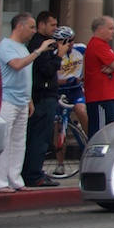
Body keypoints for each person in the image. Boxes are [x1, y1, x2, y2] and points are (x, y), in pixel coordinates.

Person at [0, 14, 50, 193]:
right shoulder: (6, 45)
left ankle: (15, 179)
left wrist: (29, 100)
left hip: (22, 101)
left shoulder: (22, 48)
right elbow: (17, 65)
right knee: (4, 142)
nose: (34, 31)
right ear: (19, 26)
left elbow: (25, 77)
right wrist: (39, 51)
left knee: (19, 142)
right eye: (31, 27)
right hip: (7, 100)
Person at [23, 10, 67, 187]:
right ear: (42, 25)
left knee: (39, 137)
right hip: (42, 97)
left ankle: (32, 172)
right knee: (39, 137)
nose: (56, 28)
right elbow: (46, 70)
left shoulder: (46, 44)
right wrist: (59, 56)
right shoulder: (39, 45)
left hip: (46, 96)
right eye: (52, 25)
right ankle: (33, 175)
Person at [84, 15, 114, 138]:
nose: (113, 32)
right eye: (110, 28)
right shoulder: (97, 44)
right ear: (100, 29)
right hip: (101, 96)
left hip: (107, 95)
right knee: (102, 132)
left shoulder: (104, 45)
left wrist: (113, 66)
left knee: (110, 130)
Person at [54, 25, 88, 133]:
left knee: (81, 110)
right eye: (68, 41)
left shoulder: (80, 49)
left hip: (75, 89)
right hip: (59, 90)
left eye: (72, 39)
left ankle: (90, 136)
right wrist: (66, 81)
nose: (71, 43)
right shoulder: (53, 54)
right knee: (57, 123)